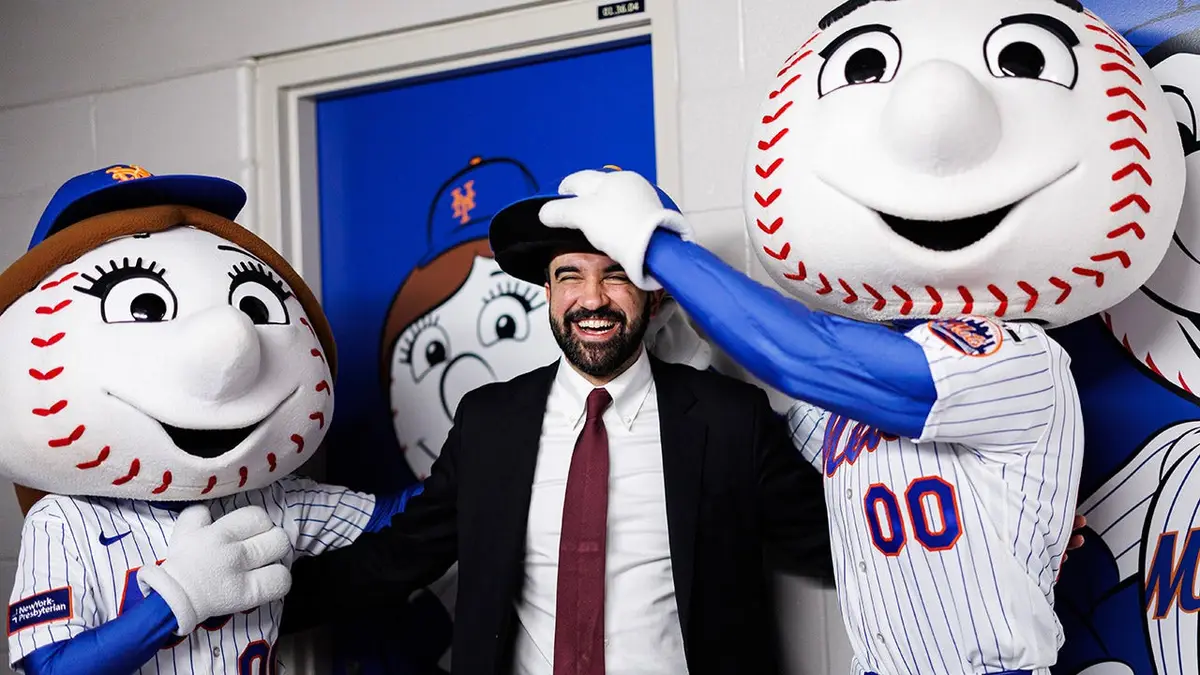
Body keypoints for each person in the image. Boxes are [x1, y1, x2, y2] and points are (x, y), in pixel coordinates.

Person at [279, 177, 835, 675]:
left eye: (616, 275)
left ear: (656, 292)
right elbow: (398, 557)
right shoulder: (489, 422)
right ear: (548, 291)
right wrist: (241, 616)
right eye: (570, 275)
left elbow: (831, 547)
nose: (591, 299)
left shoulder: (730, 418)